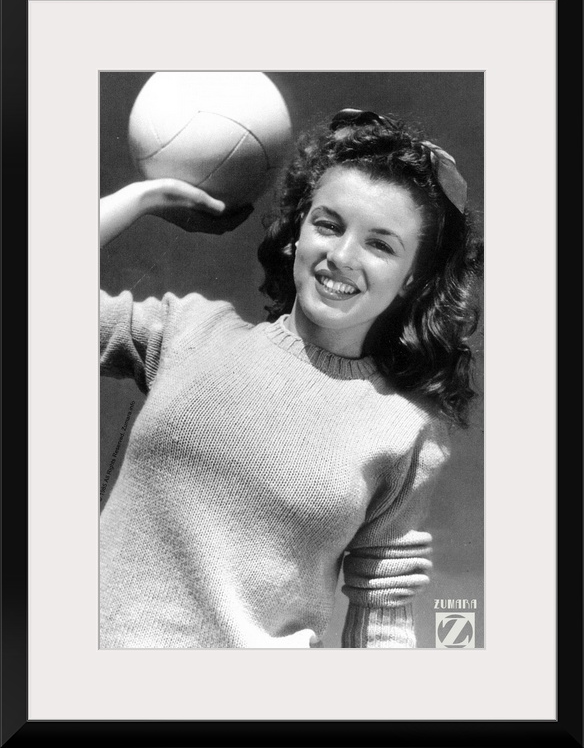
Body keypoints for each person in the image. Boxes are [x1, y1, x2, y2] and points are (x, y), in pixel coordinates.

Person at [99, 108, 483, 649]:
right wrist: (143, 198)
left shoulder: (405, 430)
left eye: (380, 244)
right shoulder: (187, 330)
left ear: (411, 277)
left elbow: (383, 631)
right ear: (298, 233)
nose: (342, 256)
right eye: (328, 225)